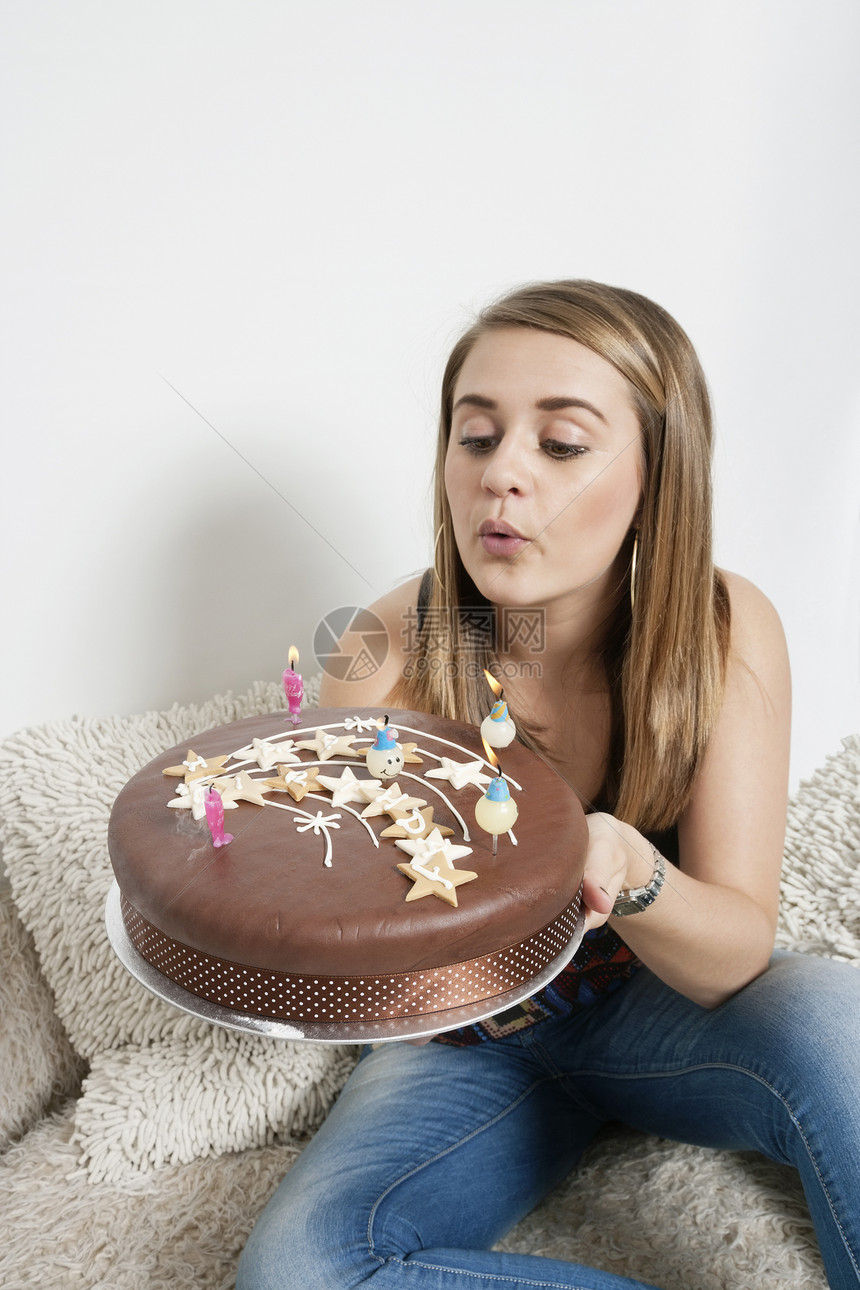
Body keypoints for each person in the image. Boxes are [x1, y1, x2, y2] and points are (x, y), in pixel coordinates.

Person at [237, 281, 860, 1289]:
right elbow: (322, 942)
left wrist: (623, 863)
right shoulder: (382, 648)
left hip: (659, 1005)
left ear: (658, 475)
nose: (501, 478)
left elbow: (731, 954)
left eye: (560, 445)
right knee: (305, 1273)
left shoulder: (723, 627)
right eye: (475, 438)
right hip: (458, 1048)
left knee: (841, 1019)